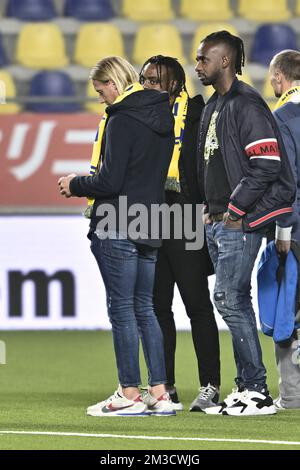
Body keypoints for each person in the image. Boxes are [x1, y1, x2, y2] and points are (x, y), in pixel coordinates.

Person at [58, 56, 176, 417]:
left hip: (118, 221)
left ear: (114, 82)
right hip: (152, 220)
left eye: (100, 90)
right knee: (146, 308)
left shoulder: (121, 119)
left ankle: (129, 393)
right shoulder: (164, 116)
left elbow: (110, 181)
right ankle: (159, 391)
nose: (100, 99)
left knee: (122, 309)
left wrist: (74, 183)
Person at [195, 31, 295, 416]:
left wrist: (236, 209)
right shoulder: (215, 104)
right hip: (219, 217)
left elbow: (267, 164)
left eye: (204, 58)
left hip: (240, 220)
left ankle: (255, 389)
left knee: (228, 297)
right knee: (232, 299)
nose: (198, 64)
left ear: (224, 61)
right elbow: (213, 163)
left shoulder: (246, 103)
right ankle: (246, 387)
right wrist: (210, 206)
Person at [139, 55, 220, 411]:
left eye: (154, 80)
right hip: (151, 214)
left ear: (174, 83)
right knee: (158, 308)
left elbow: (211, 162)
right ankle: (164, 385)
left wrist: (211, 205)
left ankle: (210, 385)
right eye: (144, 79)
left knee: (197, 305)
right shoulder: (137, 115)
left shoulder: (199, 113)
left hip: (186, 213)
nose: (147, 86)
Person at [269, 49, 300, 409]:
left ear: (279, 79)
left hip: (297, 227)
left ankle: (292, 396)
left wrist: (283, 229)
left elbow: (285, 180)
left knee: (288, 309)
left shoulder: (281, 118)